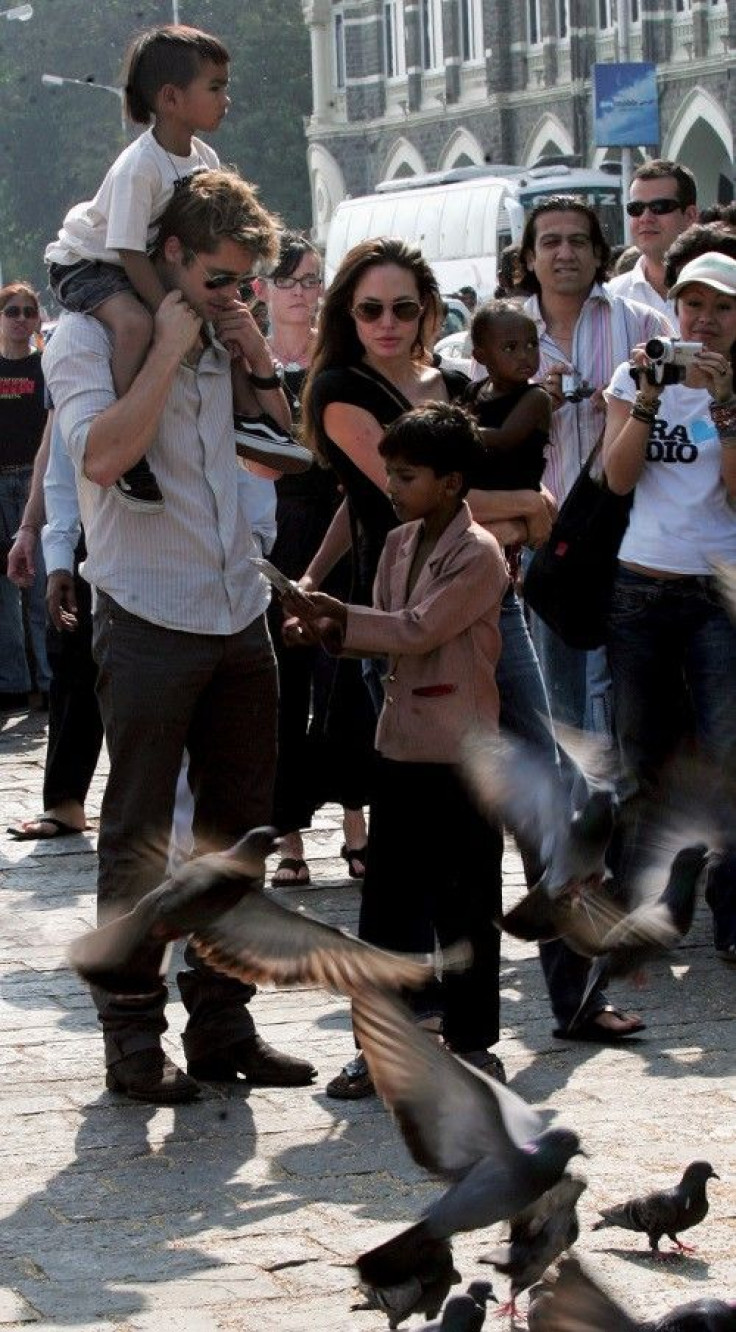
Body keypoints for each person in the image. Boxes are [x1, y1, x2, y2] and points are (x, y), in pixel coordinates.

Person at [42, 166, 318, 1105]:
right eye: (217, 279)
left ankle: (223, 1025)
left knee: (237, 835)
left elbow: (286, 454)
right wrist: (164, 346)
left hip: (237, 604)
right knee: (138, 839)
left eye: (246, 280)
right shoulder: (87, 336)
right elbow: (104, 455)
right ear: (167, 256)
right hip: (146, 607)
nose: (231, 294)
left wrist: (255, 357)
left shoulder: (223, 326)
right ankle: (130, 1040)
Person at [287, 403, 509, 1094]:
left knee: (466, 904)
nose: (392, 486)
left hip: (462, 754)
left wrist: (338, 617)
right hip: (402, 748)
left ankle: (471, 1040)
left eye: (407, 476)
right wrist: (325, 631)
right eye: (391, 473)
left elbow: (416, 630)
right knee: (387, 908)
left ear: (450, 481)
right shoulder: (397, 543)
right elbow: (386, 631)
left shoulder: (480, 553)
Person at [603, 250, 736, 964]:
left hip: (718, 588)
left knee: (727, 754)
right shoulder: (636, 372)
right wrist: (652, 393)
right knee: (641, 755)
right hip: (641, 587)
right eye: (693, 306)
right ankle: (645, 908)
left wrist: (725, 404)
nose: (705, 321)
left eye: (721, 307)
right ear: (674, 311)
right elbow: (617, 478)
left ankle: (730, 914)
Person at [520, 194, 673, 732]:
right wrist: (533, 404)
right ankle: (577, 813)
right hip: (549, 543)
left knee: (640, 702)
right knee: (562, 707)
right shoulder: (504, 337)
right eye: (551, 242)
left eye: (578, 241)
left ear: (599, 251)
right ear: (530, 257)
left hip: (637, 541)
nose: (565, 253)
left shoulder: (645, 324)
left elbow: (681, 422)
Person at [250, 231, 369, 885]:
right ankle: (290, 840)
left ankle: (356, 828)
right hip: (273, 540)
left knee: (346, 688)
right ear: (263, 288)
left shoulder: (337, 360)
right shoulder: (248, 361)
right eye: (291, 280)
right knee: (281, 697)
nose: (304, 293)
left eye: (313, 279)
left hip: (342, 532)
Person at [6, 412, 104, 840]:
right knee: (70, 657)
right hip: (82, 523)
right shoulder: (70, 347)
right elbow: (54, 440)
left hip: (159, 525)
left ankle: (165, 812)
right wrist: (29, 527)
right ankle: (65, 803)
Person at [0, 282, 51, 713]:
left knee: (41, 586)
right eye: (11, 311)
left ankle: (49, 680)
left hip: (38, 484)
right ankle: (12, 682)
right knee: (3, 591)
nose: (20, 319)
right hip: (0, 483)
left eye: (27, 311)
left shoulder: (47, 367)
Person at [607, 159, 698, 325]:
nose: (645, 218)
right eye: (636, 208)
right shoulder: (612, 297)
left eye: (660, 207)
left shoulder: (719, 288)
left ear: (690, 216)